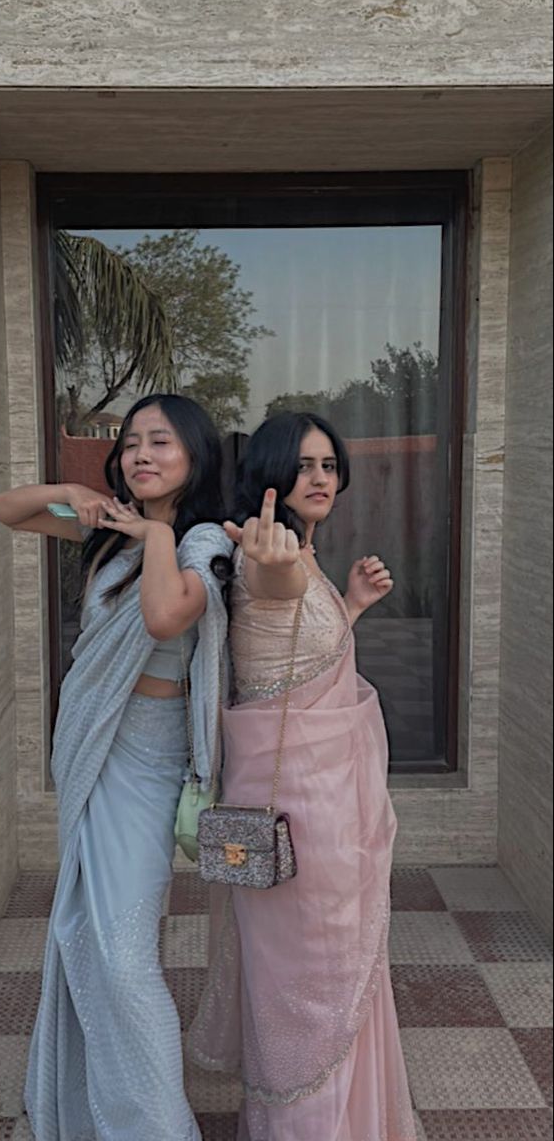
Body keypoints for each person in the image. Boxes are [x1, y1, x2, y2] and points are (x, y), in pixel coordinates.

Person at [0, 394, 232, 1141]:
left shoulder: (205, 545)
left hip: (150, 760)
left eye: (160, 442)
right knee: (87, 939)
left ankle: (158, 1128)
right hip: (93, 749)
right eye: (128, 444)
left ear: (194, 455)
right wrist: (72, 494)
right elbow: (5, 510)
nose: (140, 455)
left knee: (123, 956)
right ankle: (96, 1110)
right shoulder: (105, 533)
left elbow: (165, 618)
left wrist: (154, 534)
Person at [188, 411, 416, 1141]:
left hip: (330, 810)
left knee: (334, 964)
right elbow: (271, 587)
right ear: (270, 474)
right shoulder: (273, 552)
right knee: (309, 975)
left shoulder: (307, 553)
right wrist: (277, 564)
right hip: (295, 819)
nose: (320, 478)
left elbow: (294, 655)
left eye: (329, 465)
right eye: (304, 464)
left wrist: (349, 604)